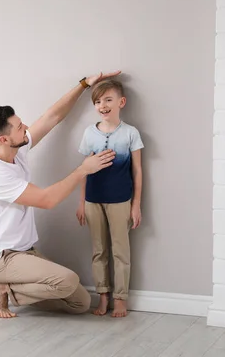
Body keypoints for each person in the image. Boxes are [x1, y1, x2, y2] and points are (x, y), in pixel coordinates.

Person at [0, 70, 121, 319]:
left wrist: (85, 84)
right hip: (3, 258)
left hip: (25, 252)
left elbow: (52, 117)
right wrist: (83, 170)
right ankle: (1, 286)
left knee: (80, 302)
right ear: (4, 139)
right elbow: (47, 200)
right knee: (68, 280)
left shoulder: (14, 149)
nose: (27, 128)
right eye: (20, 127)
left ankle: (10, 288)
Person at [75, 79, 144, 318]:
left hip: (120, 201)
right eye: (97, 101)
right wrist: (81, 201)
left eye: (108, 100)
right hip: (93, 201)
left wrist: (136, 205)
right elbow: (83, 169)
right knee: (98, 250)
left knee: (120, 252)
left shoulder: (130, 133)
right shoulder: (89, 133)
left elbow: (137, 171)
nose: (102, 105)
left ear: (121, 102)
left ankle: (120, 298)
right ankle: (103, 296)